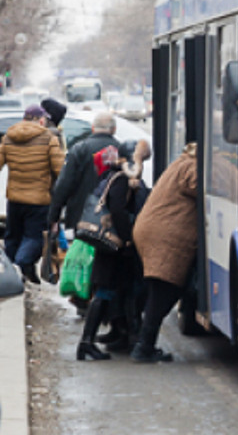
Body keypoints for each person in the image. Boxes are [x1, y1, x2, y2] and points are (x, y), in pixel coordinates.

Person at [131, 142, 199, 363]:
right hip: (166, 236)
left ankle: (139, 340)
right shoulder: (192, 168)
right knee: (164, 290)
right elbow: (207, 187)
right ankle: (143, 347)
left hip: (153, 231)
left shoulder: (181, 163)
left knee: (158, 289)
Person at [73, 144, 143, 361]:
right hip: (114, 248)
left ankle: (115, 337)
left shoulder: (112, 174)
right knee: (104, 293)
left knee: (110, 291)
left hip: (109, 247)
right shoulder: (122, 179)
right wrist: (128, 239)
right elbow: (118, 211)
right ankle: (86, 343)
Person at [0, 105, 65, 283]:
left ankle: (10, 272)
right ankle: (22, 263)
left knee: (12, 235)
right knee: (34, 237)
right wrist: (62, 196)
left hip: (14, 199)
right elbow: (60, 170)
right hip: (39, 200)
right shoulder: (48, 138)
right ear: (41, 120)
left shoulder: (9, 137)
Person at [48, 112, 121, 240]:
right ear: (114, 130)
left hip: (81, 217)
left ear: (93, 128)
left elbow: (64, 185)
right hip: (113, 218)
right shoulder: (121, 151)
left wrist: (54, 217)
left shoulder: (79, 149)